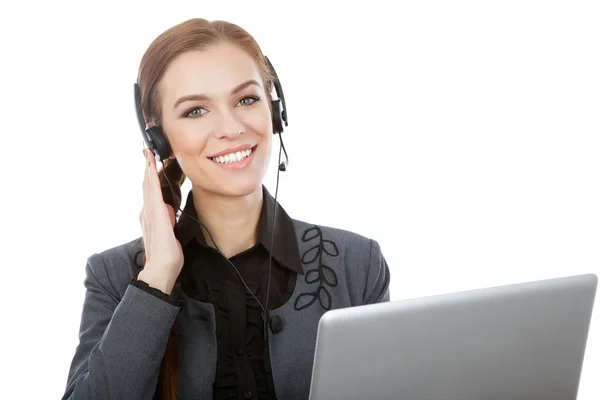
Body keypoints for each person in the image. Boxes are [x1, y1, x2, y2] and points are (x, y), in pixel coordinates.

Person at [61, 17, 391, 400]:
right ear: (158, 138)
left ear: (275, 110)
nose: (232, 128)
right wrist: (157, 277)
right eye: (196, 111)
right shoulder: (115, 276)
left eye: (246, 99)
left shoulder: (356, 263)